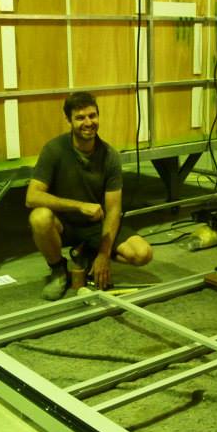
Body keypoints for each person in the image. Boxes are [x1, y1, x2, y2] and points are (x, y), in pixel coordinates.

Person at [26, 92, 152, 300]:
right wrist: (79, 206)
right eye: (80, 117)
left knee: (142, 254)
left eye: (92, 116)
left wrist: (104, 254)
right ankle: (58, 271)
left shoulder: (110, 156)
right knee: (39, 217)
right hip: (65, 224)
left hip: (95, 225)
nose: (88, 122)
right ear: (69, 120)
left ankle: (89, 253)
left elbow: (113, 210)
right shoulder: (54, 149)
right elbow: (32, 197)